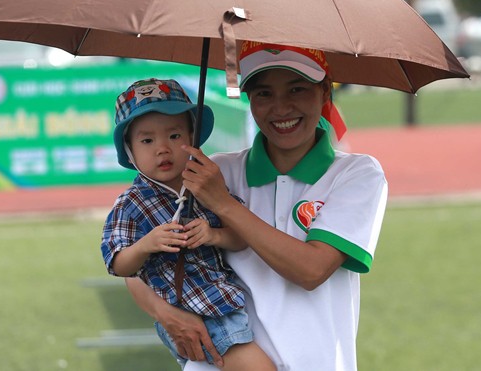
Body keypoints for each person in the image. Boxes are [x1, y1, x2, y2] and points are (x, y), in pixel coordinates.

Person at [125, 42, 388, 370]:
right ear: (249, 100)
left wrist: (224, 204)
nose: (281, 108)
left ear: (324, 93)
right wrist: (166, 314)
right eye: (264, 94)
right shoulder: (212, 171)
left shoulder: (356, 174)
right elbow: (137, 259)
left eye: (297, 89)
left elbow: (311, 270)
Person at [100, 78, 275, 370]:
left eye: (174, 136)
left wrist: (214, 235)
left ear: (192, 137)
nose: (162, 149)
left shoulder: (204, 185)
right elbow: (118, 264)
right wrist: (147, 244)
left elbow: (242, 237)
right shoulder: (131, 204)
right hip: (198, 313)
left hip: (224, 302)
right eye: (147, 140)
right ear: (129, 151)